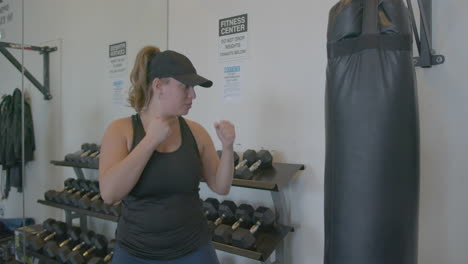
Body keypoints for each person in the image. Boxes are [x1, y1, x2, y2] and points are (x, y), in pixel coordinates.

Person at [99, 46, 235, 264]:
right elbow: (109, 193)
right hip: (136, 253)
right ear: (159, 86)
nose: (193, 95)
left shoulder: (196, 132)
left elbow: (221, 186)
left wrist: (228, 148)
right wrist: (150, 141)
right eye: (185, 87)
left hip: (193, 250)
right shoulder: (121, 130)